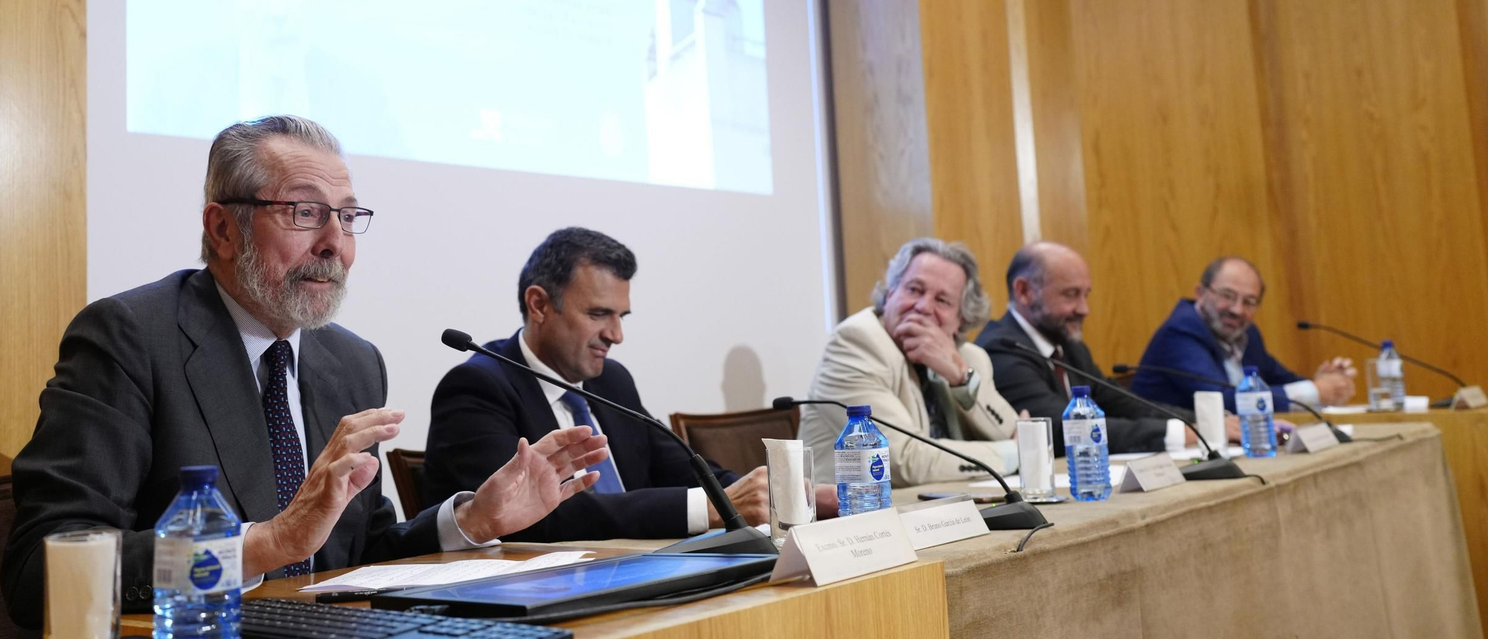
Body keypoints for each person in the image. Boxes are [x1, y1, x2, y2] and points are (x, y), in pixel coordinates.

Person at [1, 117, 609, 627]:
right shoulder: (131, 337)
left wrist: (474, 519)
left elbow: (360, 555)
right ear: (221, 229)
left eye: (347, 218)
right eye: (304, 212)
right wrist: (265, 545)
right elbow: (43, 568)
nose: (335, 244)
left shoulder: (351, 362)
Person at [420, 227, 772, 541]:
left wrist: (773, 493)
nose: (616, 335)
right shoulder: (477, 387)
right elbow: (532, 517)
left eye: (621, 316)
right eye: (598, 314)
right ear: (539, 304)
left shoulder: (611, 380)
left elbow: (685, 468)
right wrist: (707, 508)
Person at [800, 238, 1022, 483]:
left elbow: (1015, 431)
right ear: (891, 293)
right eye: (914, 290)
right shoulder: (856, 343)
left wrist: (961, 378)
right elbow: (902, 459)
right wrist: (1012, 452)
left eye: (942, 301)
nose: (923, 306)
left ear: (962, 318)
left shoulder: (970, 358)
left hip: (938, 507)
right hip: (852, 511)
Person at [976, 242, 1223, 455]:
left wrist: (1201, 422)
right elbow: (1065, 428)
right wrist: (1179, 433)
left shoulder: (1068, 347)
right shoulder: (1001, 349)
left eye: (1086, 295)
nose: (1084, 309)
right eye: (1071, 294)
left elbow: (1122, 402)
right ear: (1024, 291)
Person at [1131, 256, 1356, 411]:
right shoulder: (1180, 333)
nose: (1237, 310)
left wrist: (1323, 382)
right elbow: (1224, 401)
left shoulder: (1247, 334)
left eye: (1249, 302)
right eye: (1227, 295)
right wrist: (1313, 391)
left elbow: (1278, 380)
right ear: (1200, 292)